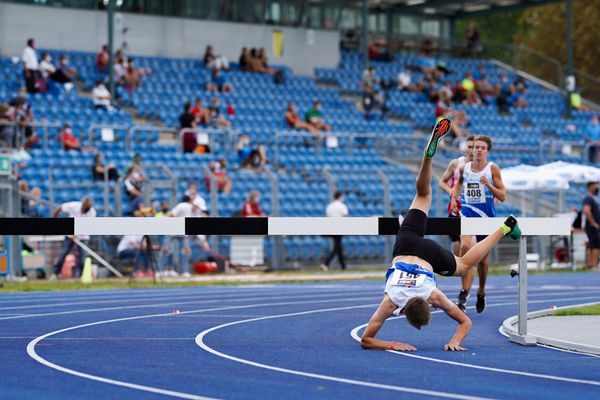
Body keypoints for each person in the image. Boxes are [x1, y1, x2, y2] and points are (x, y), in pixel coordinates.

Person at [360, 118, 521, 352]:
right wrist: (391, 344)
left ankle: (504, 228)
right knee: (423, 195)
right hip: (406, 245)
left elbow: (466, 322)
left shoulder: (431, 295)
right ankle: (427, 156)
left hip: (428, 258)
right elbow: (366, 341)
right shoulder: (391, 300)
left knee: (465, 265)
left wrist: (452, 342)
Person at [450, 135, 506, 314]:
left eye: (482, 148)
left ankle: (481, 292)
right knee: (465, 246)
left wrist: (488, 185)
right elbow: (458, 184)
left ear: (487, 151)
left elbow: (502, 196)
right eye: (476, 147)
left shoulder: (493, 168)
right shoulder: (464, 167)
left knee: (482, 261)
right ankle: (464, 293)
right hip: (466, 213)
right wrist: (454, 198)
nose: (479, 150)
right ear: (472, 150)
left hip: (486, 217)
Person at [438, 135, 475, 256]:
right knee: (457, 252)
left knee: (470, 249)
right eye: (470, 146)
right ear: (465, 148)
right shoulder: (456, 163)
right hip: (456, 209)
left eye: (475, 147)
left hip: (473, 211)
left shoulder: (482, 167)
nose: (472, 150)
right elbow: (441, 182)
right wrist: (450, 191)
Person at [50, 197, 97, 279]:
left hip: (83, 237)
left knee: (82, 257)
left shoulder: (92, 213)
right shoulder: (74, 206)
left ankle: (82, 276)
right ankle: (55, 273)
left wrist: (77, 233)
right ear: (82, 205)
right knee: (63, 253)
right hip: (69, 235)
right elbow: (59, 208)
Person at [321, 191, 348, 271]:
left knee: (338, 246)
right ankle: (326, 263)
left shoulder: (330, 206)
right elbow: (345, 216)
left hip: (332, 228)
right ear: (340, 196)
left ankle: (343, 266)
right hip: (339, 228)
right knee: (337, 247)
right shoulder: (342, 206)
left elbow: (328, 217)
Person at [583, 182, 600, 269]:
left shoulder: (594, 199)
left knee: (592, 245)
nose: (598, 187)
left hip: (593, 226)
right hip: (592, 226)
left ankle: (591, 265)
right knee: (596, 245)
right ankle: (593, 265)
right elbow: (586, 211)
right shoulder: (589, 198)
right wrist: (593, 223)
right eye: (596, 185)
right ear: (590, 187)